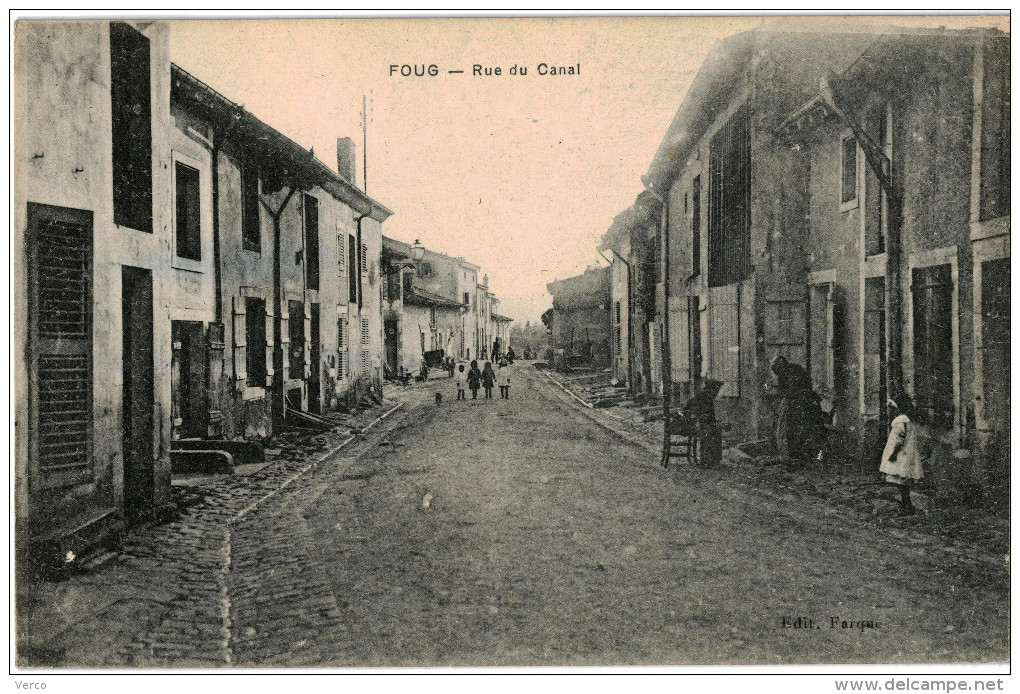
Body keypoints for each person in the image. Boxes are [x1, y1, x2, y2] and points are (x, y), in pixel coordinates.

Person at [771, 355, 824, 462]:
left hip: (803, 403)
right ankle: (792, 455)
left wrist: (799, 398)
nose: (777, 372)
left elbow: (804, 387)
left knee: (802, 429)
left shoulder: (796, 370)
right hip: (793, 404)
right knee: (787, 429)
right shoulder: (782, 375)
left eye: (777, 368)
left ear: (782, 365)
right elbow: (785, 392)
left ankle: (800, 455)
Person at [880, 395, 923, 516]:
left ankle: (907, 505)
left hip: (901, 454)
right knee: (903, 482)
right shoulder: (909, 419)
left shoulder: (900, 421)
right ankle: (906, 504)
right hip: (907, 453)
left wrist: (893, 454)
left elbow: (899, 440)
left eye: (894, 407)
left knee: (901, 481)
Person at [682, 379, 725, 466]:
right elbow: (705, 415)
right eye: (717, 389)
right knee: (713, 432)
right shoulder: (706, 397)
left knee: (714, 430)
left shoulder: (703, 395)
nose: (717, 392)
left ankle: (709, 460)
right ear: (713, 388)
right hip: (698, 425)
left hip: (699, 423)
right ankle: (710, 460)